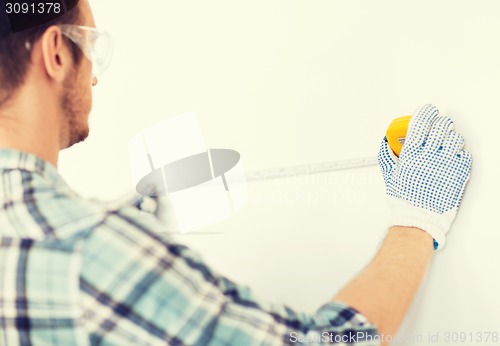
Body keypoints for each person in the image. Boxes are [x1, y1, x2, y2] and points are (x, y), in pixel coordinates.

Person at [0, 0, 472, 345]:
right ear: (57, 51)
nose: (95, 77)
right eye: (92, 49)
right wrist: (416, 224)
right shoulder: (87, 246)